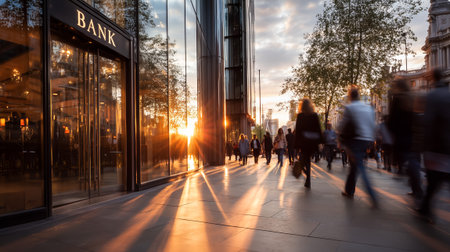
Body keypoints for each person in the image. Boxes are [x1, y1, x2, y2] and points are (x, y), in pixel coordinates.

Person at [417, 69, 450, 221]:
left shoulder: (432, 96)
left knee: (432, 180)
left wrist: (424, 144)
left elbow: (428, 121)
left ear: (432, 79)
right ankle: (424, 209)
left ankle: (425, 209)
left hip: (436, 145)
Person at [339, 86, 378, 207]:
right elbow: (373, 125)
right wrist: (372, 141)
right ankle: (349, 190)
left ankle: (373, 195)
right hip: (367, 139)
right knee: (354, 166)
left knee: (359, 166)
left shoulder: (350, 107)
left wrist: (340, 140)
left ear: (350, 96)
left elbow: (343, 125)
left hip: (356, 140)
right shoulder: (368, 108)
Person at [388, 79, 423, 199]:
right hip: (415, 133)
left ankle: (414, 185)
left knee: (408, 159)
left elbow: (392, 119)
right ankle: (415, 187)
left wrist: (391, 131)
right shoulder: (414, 97)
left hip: (402, 134)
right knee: (413, 158)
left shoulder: (397, 98)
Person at [294, 99, 323, 188]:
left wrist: (296, 145)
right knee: (307, 160)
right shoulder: (314, 115)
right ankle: (308, 178)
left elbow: (298, 131)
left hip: (303, 142)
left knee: (303, 160)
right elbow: (318, 129)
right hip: (312, 143)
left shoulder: (300, 116)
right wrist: (320, 142)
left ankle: (307, 176)